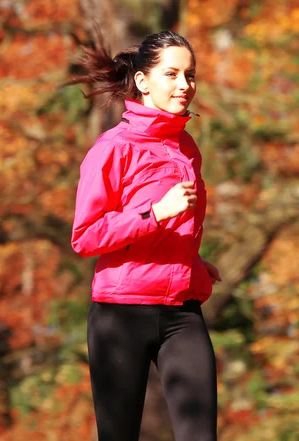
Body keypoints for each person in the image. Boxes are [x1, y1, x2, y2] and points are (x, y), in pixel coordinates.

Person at [68, 28, 221, 441]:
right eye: (171, 75)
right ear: (142, 81)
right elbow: (86, 236)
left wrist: (189, 257)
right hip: (120, 315)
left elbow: (180, 224)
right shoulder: (112, 148)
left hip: (181, 311)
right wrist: (153, 213)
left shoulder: (186, 146)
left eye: (190, 76)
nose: (184, 86)